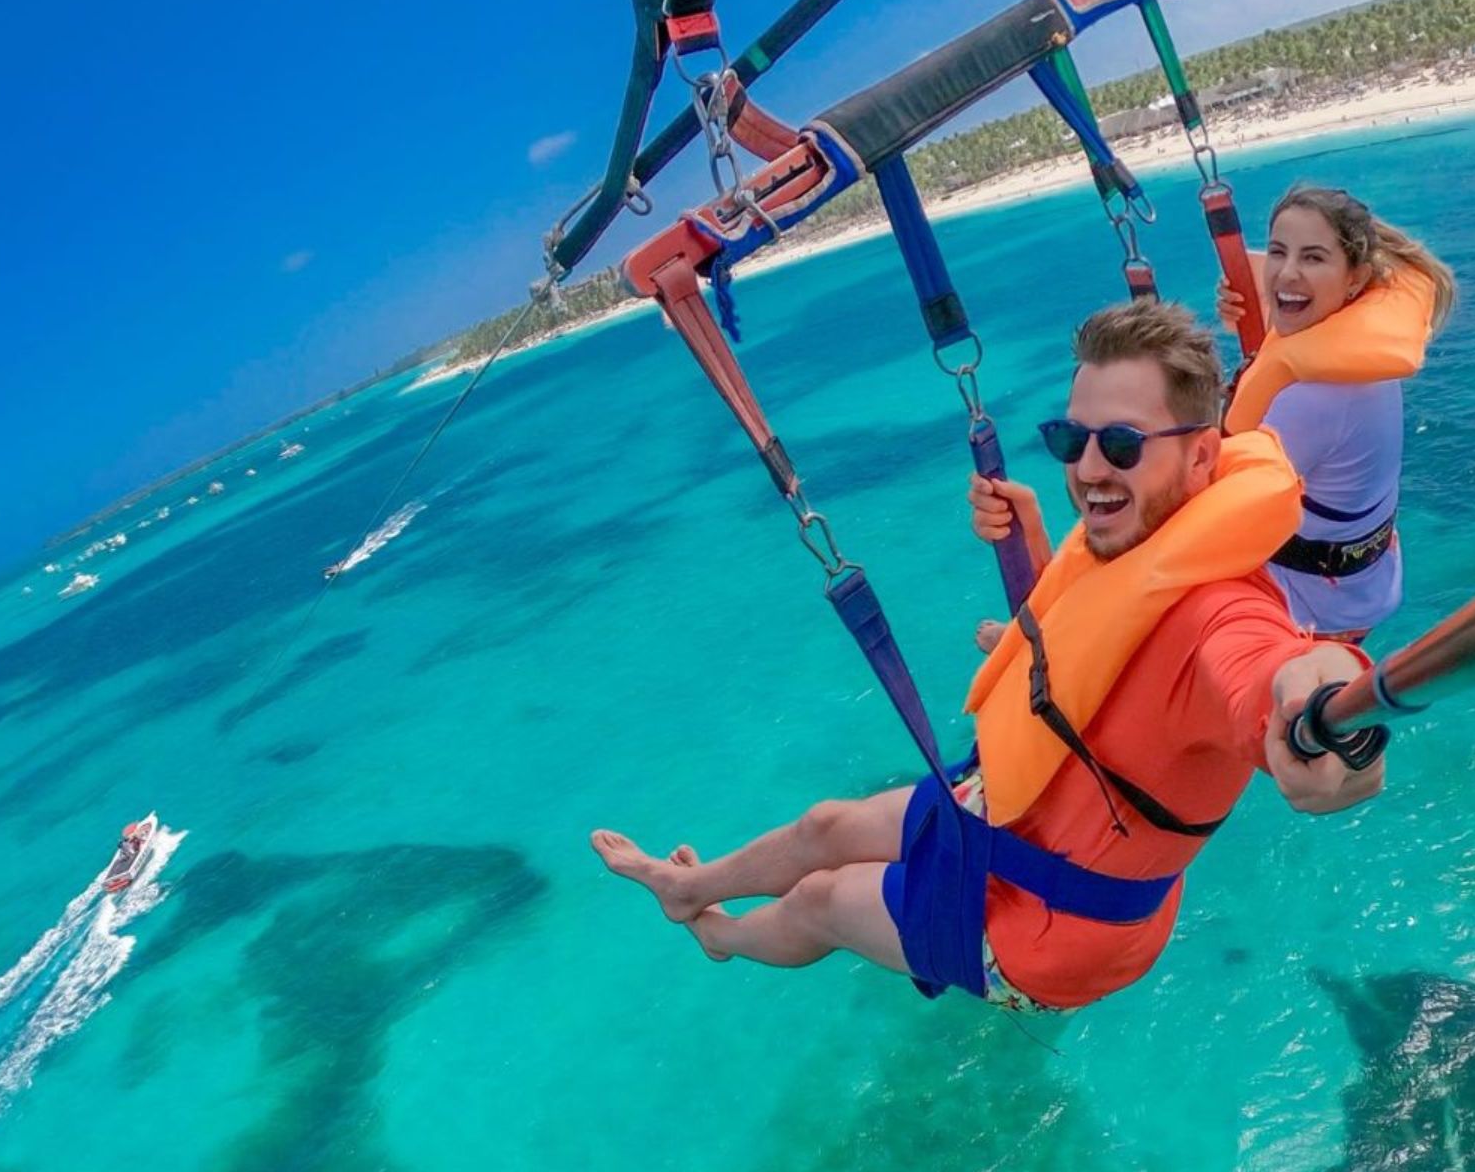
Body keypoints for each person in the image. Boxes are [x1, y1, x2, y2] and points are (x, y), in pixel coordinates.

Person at [590, 300, 1384, 1013]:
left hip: (1054, 924)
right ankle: (685, 886)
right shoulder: (1138, 537)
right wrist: (1032, 539)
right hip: (1009, 808)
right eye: (1072, 439)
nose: (1090, 467)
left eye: (1121, 443)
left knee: (824, 900)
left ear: (1206, 459)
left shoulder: (1220, 611)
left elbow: (1272, 669)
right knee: (824, 824)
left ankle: (722, 937)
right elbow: (1085, 646)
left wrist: (1326, 706)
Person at [1216, 185, 1457, 643]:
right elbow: (1283, 337)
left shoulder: (1319, 395)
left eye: (1312, 258)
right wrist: (1247, 306)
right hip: (1365, 580)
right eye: (1278, 253)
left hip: (1316, 606)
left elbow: (1219, 497)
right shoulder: (1349, 342)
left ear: (1355, 279)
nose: (1286, 271)